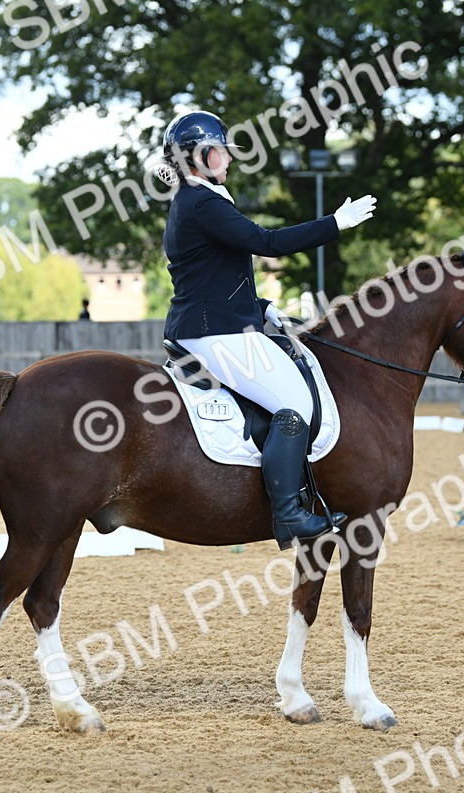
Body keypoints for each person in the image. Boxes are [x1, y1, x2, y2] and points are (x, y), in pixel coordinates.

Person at [158, 110, 377, 550]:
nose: (229, 159)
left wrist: (261, 308)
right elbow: (267, 243)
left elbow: (210, 275)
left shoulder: (197, 200)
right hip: (214, 334)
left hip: (219, 324)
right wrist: (335, 224)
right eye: (220, 151)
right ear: (197, 158)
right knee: (294, 404)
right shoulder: (203, 203)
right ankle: (289, 513)